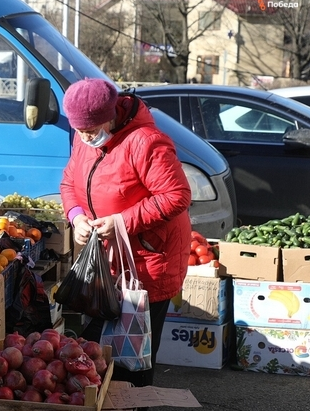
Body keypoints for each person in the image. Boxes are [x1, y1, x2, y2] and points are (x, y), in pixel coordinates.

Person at [59, 78, 192, 388]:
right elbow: (69, 184)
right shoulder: (83, 140)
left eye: (90, 129)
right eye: (79, 130)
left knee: (134, 354)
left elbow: (177, 195)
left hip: (150, 259)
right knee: (101, 349)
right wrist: (77, 217)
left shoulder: (146, 142)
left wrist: (121, 222)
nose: (85, 137)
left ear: (110, 116)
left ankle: (135, 399)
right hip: (109, 260)